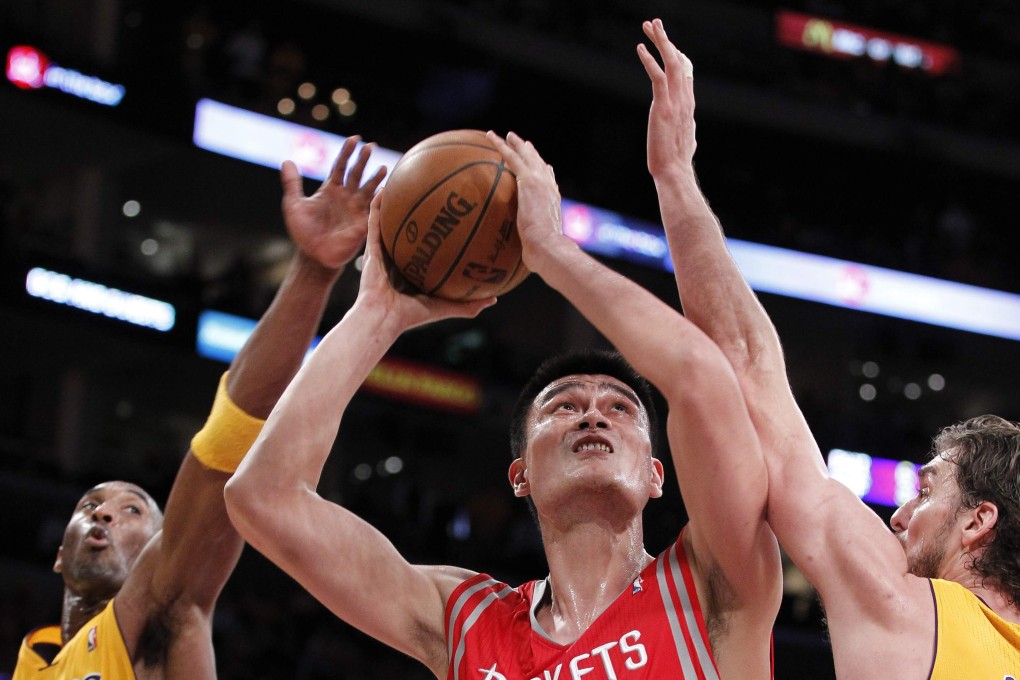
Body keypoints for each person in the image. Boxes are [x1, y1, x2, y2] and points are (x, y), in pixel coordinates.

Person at [224, 129, 781, 679]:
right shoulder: (468, 623)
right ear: (520, 475)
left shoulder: (712, 584)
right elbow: (265, 499)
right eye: (562, 406)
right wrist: (377, 314)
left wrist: (554, 253)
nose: (592, 412)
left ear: (657, 475)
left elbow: (706, 377)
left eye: (621, 408)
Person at [637, 17, 1020, 678]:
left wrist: (673, 176)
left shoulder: (906, 608)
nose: (898, 514)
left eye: (927, 491)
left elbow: (750, 366)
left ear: (977, 521)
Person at [13, 136, 386, 680]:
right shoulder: (32, 666)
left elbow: (225, 445)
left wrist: (312, 271)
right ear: (58, 556)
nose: (103, 512)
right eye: (91, 504)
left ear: (163, 546)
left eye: (134, 509)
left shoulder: (165, 611)